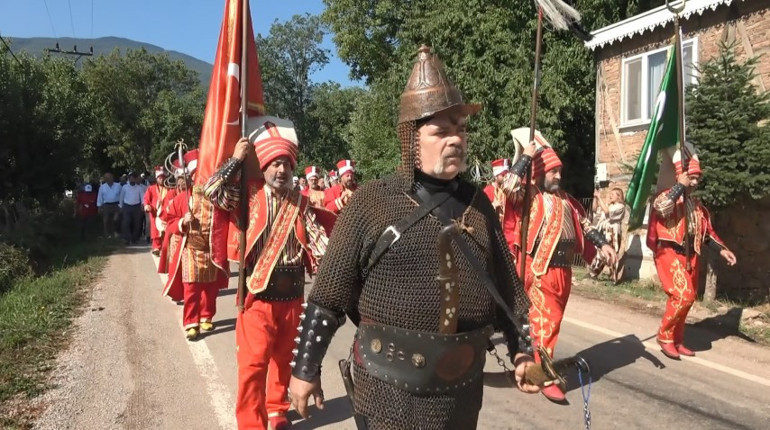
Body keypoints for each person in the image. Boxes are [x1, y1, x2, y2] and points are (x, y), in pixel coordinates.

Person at [288, 45, 540, 429]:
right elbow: (327, 298)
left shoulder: (478, 204)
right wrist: (305, 370)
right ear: (412, 138)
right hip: (388, 389)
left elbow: (507, 294)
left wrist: (522, 353)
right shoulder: (373, 201)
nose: (455, 139)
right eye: (441, 131)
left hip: (461, 392)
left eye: (460, 129)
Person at [203, 117, 335, 430]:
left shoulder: (301, 204)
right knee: (252, 366)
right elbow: (210, 192)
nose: (281, 171)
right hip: (257, 296)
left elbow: (320, 244)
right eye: (274, 164)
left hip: (293, 299)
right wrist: (236, 159)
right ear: (263, 168)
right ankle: (251, 423)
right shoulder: (247, 199)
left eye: (286, 165)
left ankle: (277, 411)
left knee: (284, 362)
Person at [499, 131, 617, 403]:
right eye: (553, 171)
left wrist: (603, 245)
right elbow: (508, 187)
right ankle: (543, 378)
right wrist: (527, 158)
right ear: (541, 173)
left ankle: (533, 368)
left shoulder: (567, 201)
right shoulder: (530, 195)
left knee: (551, 325)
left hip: (563, 272)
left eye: (560, 171)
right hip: (540, 270)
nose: (558, 176)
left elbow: (586, 227)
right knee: (545, 327)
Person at [647, 147, 736, 360]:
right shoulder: (666, 195)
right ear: (681, 176)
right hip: (669, 253)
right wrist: (680, 185)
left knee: (689, 299)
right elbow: (662, 209)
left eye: (697, 178)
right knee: (682, 295)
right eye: (691, 177)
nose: (695, 182)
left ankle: (678, 339)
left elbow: (706, 233)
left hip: (691, 255)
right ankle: (665, 336)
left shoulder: (696, 206)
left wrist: (722, 249)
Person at [163, 149, 228, 339]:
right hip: (191, 249)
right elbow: (169, 222)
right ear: (191, 177)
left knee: (211, 287)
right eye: (196, 175)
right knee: (191, 287)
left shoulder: (217, 199)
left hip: (212, 250)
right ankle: (191, 322)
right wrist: (182, 221)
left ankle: (206, 315)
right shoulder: (182, 199)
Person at [589, 187, 627, 280]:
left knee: (612, 253)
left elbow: (607, 212)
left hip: (613, 232)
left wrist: (600, 198)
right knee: (601, 252)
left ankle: (613, 276)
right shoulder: (609, 205)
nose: (610, 196)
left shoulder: (620, 206)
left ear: (619, 197)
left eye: (613, 194)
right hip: (604, 231)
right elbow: (594, 209)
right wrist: (596, 198)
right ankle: (593, 273)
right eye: (611, 194)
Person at [483, 158, 517, 256]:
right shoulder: (487, 191)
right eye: (503, 175)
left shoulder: (510, 191)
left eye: (507, 174)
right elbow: (481, 214)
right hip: (495, 238)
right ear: (496, 175)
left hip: (511, 238)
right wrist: (492, 206)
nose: (505, 177)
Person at [143, 166, 170, 255]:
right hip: (155, 212)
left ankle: (166, 247)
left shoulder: (169, 188)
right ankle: (156, 247)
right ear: (156, 178)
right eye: (160, 178)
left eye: (163, 177)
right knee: (155, 230)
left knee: (166, 229)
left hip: (166, 212)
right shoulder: (151, 188)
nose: (161, 179)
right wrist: (147, 206)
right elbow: (146, 198)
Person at [120, 172, 146, 245]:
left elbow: (142, 198)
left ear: (135, 179)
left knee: (137, 223)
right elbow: (121, 197)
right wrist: (121, 206)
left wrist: (142, 205)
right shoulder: (125, 187)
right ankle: (127, 238)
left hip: (136, 206)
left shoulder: (139, 188)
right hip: (127, 206)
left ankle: (134, 238)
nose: (132, 180)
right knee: (126, 222)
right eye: (131, 178)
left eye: (134, 178)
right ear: (129, 179)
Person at [96, 172, 122, 238]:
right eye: (107, 178)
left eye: (110, 177)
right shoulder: (102, 187)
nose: (109, 179)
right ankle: (107, 234)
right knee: (106, 220)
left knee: (116, 219)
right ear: (105, 179)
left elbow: (122, 196)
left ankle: (115, 231)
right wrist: (99, 206)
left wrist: (121, 205)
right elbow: (100, 197)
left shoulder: (118, 186)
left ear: (112, 177)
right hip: (106, 205)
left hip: (116, 204)